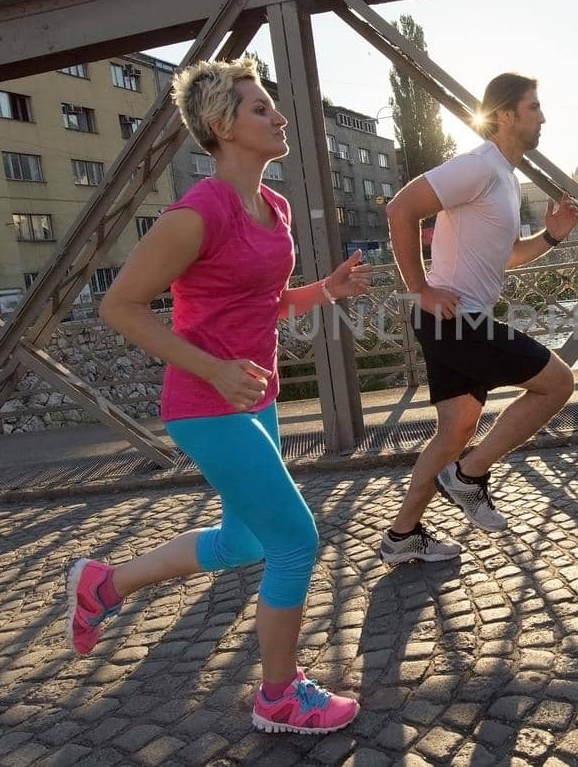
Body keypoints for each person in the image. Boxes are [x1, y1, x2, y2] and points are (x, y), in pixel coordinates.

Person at [65, 56, 372, 735]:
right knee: (295, 538)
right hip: (204, 406)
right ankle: (278, 696)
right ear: (220, 125)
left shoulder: (275, 205)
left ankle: (102, 585)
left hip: (249, 398)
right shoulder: (195, 212)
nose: (279, 116)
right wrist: (213, 368)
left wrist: (327, 290)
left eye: (274, 106)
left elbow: (263, 301)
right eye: (262, 108)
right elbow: (121, 306)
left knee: (242, 543)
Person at [377, 72, 578, 564]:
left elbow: (507, 256)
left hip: (454, 320)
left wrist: (550, 237)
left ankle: (402, 538)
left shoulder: (507, 180)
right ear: (506, 115)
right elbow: (401, 209)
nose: (543, 116)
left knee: (454, 431)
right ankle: (470, 477)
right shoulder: (479, 166)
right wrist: (420, 288)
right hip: (455, 319)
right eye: (534, 107)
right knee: (557, 383)